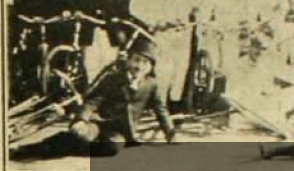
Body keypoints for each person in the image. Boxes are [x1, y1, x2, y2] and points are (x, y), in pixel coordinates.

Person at [10, 40, 175, 160]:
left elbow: (161, 110)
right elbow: (93, 101)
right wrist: (81, 120)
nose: (139, 66)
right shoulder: (113, 78)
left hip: (120, 131)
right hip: (98, 122)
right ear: (128, 60)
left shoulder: (151, 85)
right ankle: (31, 150)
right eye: (136, 60)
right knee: (82, 134)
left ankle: (69, 144)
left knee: (112, 148)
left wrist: (170, 133)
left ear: (151, 67)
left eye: (145, 62)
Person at [130, 0, 193, 104]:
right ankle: (160, 101)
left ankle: (174, 101)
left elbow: (185, 3)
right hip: (156, 31)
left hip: (178, 30)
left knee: (179, 67)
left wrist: (181, 19)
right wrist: (154, 22)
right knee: (162, 68)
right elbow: (135, 8)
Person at [72, 0, 133, 84]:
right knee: (90, 65)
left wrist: (113, 19)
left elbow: (124, 11)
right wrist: (78, 13)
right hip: (88, 32)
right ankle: (91, 95)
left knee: (109, 65)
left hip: (111, 33)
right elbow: (74, 4)